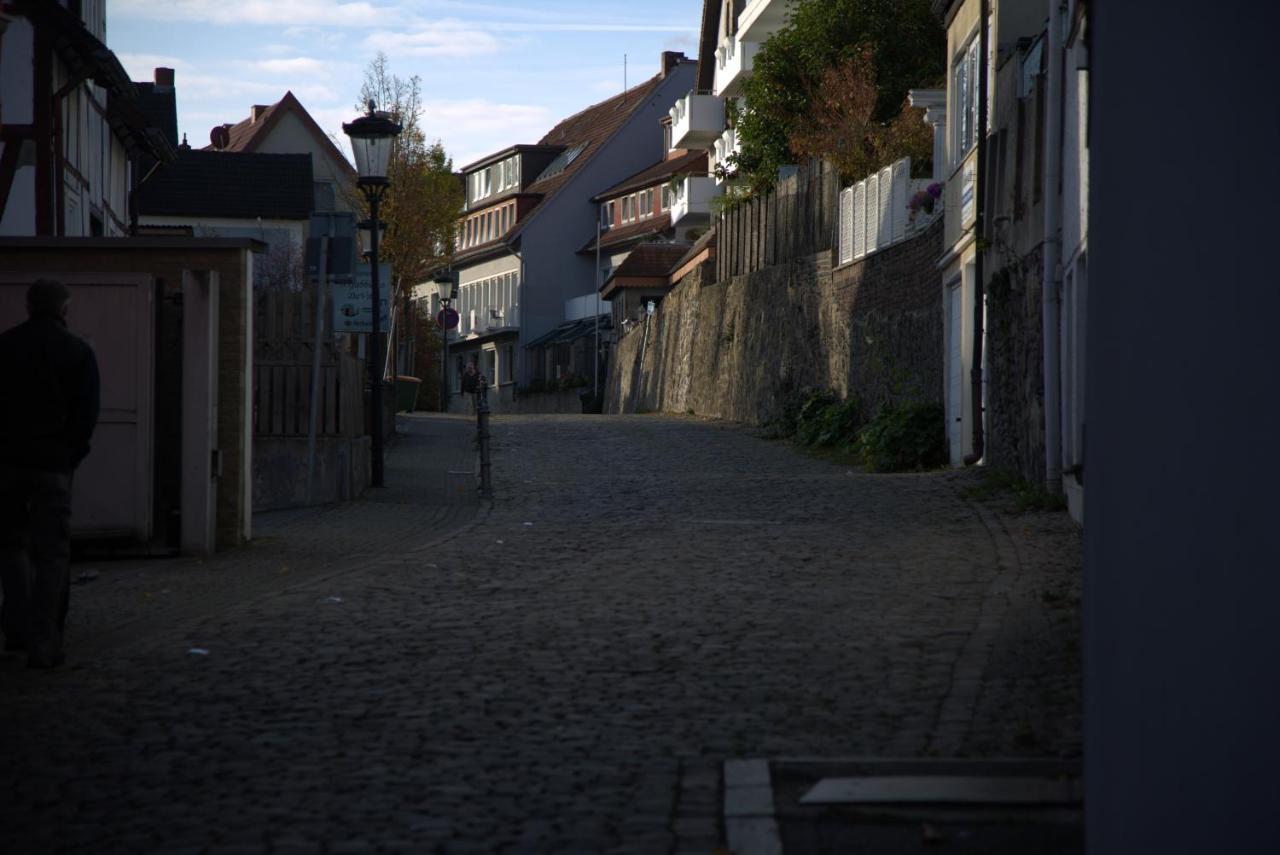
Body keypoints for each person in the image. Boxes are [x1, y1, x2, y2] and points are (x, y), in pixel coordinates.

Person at [0, 280, 100, 669]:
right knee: (51, 554)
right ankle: (44, 639)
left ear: (28, 306)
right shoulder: (77, 352)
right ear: (64, 309)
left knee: (10, 547)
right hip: (53, 464)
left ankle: (16, 628)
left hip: (7, 463)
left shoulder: (5, 348)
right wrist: (71, 454)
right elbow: (86, 414)